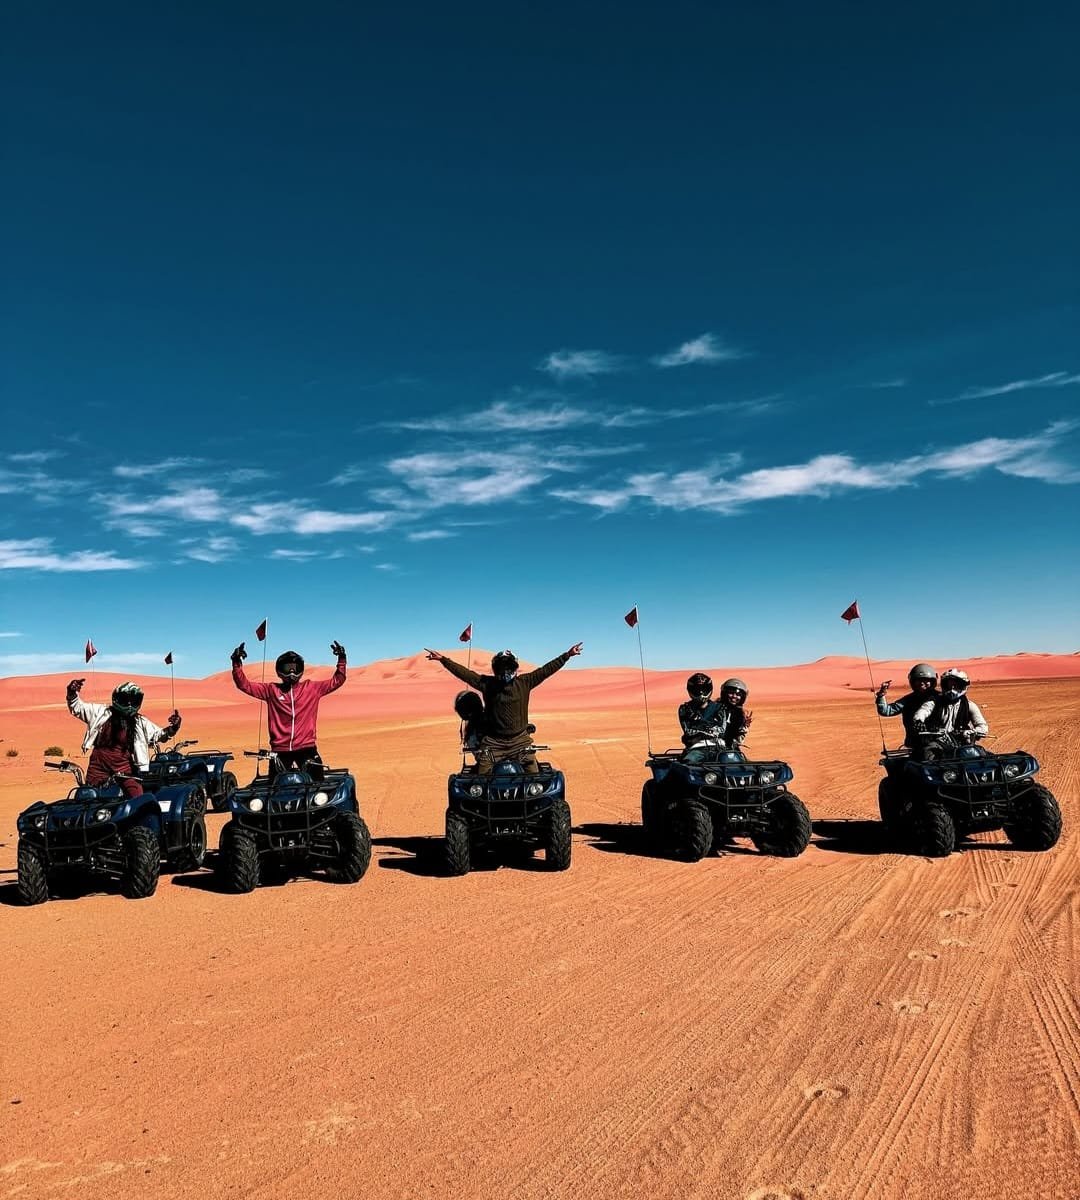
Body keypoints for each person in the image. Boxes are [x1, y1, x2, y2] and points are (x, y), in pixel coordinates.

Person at [424, 643, 583, 774]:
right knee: (482, 780)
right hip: (493, 744)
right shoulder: (487, 684)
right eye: (502, 669)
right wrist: (443, 660)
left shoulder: (525, 682)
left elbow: (546, 670)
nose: (505, 673)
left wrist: (567, 655)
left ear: (514, 668)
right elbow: (465, 674)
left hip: (520, 742)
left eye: (508, 668)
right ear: (496, 669)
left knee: (534, 780)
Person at [231, 640, 347, 779]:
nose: (292, 671)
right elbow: (244, 685)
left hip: (306, 747)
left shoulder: (311, 688)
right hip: (280, 750)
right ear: (280, 670)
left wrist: (342, 659)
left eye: (295, 667)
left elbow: (337, 680)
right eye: (287, 667)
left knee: (318, 784)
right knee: (275, 789)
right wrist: (236, 662)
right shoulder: (271, 690)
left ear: (301, 669)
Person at [66, 678, 182, 799]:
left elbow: (159, 735)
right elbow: (77, 708)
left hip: (124, 769)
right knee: (87, 798)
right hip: (98, 767)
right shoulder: (101, 712)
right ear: (116, 699)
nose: (129, 705)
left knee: (137, 799)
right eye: (125, 700)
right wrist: (72, 692)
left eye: (133, 701)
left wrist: (173, 728)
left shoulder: (139, 722)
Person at [912, 667, 988, 760]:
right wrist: (919, 721)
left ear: (964, 686)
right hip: (937, 743)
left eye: (956, 685)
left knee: (982, 757)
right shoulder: (934, 702)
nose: (952, 689)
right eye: (949, 685)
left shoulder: (969, 705)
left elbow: (982, 726)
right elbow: (923, 711)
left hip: (962, 744)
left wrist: (970, 732)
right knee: (930, 758)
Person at [678, 674, 753, 764]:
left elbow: (734, 737)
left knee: (744, 768)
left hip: (723, 748)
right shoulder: (687, 709)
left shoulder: (726, 710)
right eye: (731, 693)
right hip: (698, 748)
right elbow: (688, 729)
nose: (734, 696)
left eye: (738, 694)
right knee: (688, 767)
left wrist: (743, 727)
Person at [875, 663, 939, 750]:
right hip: (914, 746)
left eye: (926, 680)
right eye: (918, 680)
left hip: (939, 745)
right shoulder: (908, 700)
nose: (922, 683)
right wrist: (881, 695)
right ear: (913, 681)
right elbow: (886, 711)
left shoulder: (942, 698)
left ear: (932, 681)